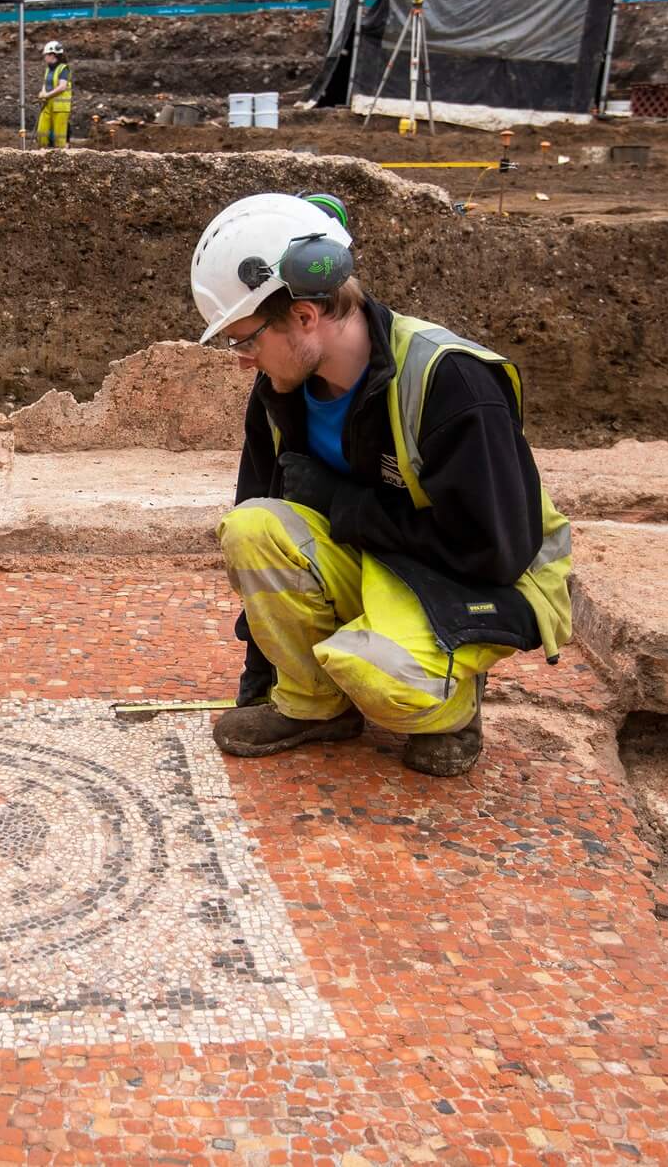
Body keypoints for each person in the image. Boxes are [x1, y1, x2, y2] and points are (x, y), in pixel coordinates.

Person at [192, 193, 573, 777]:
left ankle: (450, 706)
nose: (243, 360)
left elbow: (494, 551)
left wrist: (344, 505)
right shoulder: (281, 391)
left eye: (246, 339)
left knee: (378, 675)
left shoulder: (450, 383)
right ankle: (316, 707)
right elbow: (259, 522)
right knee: (252, 528)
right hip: (380, 559)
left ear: (303, 316)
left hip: (482, 576)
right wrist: (264, 670)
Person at [36, 40, 72, 149]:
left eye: (46, 55)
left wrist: (47, 95)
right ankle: (42, 152)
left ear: (53, 55)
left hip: (60, 107)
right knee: (42, 131)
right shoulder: (48, 69)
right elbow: (45, 83)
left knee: (59, 135)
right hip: (47, 104)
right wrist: (42, 93)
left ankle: (60, 155)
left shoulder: (63, 69)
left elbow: (62, 86)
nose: (45, 57)